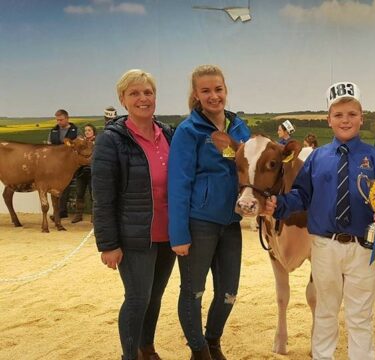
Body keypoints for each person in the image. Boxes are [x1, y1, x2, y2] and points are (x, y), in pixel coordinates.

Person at [264, 81, 375, 360]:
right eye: (338, 115)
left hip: (364, 247)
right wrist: (279, 205)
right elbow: (301, 196)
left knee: (360, 316)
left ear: (362, 116)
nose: (345, 120)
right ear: (328, 119)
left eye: (351, 114)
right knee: (325, 311)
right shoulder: (317, 158)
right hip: (325, 246)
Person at [168, 64, 250, 360]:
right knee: (193, 291)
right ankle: (199, 351)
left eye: (218, 89)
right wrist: (178, 234)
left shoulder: (239, 127)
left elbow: (249, 173)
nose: (214, 96)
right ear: (196, 95)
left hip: (231, 222)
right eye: (206, 91)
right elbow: (178, 184)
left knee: (229, 291)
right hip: (198, 223)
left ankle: (213, 341)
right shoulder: (188, 131)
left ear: (225, 90)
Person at [93, 69, 176, 360]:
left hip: (168, 235)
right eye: (135, 93)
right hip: (134, 237)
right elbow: (103, 198)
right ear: (123, 99)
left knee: (154, 297)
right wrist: (108, 244)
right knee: (138, 298)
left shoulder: (168, 133)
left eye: (148, 92)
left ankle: (146, 348)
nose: (143, 98)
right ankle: (129, 356)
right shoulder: (111, 141)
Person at [48, 109, 78, 219]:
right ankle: (59, 211)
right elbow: (50, 145)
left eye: (61, 119)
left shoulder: (76, 131)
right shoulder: (53, 131)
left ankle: (63, 211)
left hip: (69, 164)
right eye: (57, 120)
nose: (59, 122)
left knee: (65, 187)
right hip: (56, 164)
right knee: (55, 188)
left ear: (67, 118)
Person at [71, 123, 97, 223]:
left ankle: (94, 215)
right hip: (81, 172)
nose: (87, 132)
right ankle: (78, 215)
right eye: (86, 130)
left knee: (93, 194)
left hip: (93, 173)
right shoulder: (81, 143)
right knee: (79, 193)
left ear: (94, 132)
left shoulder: (97, 142)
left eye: (89, 130)